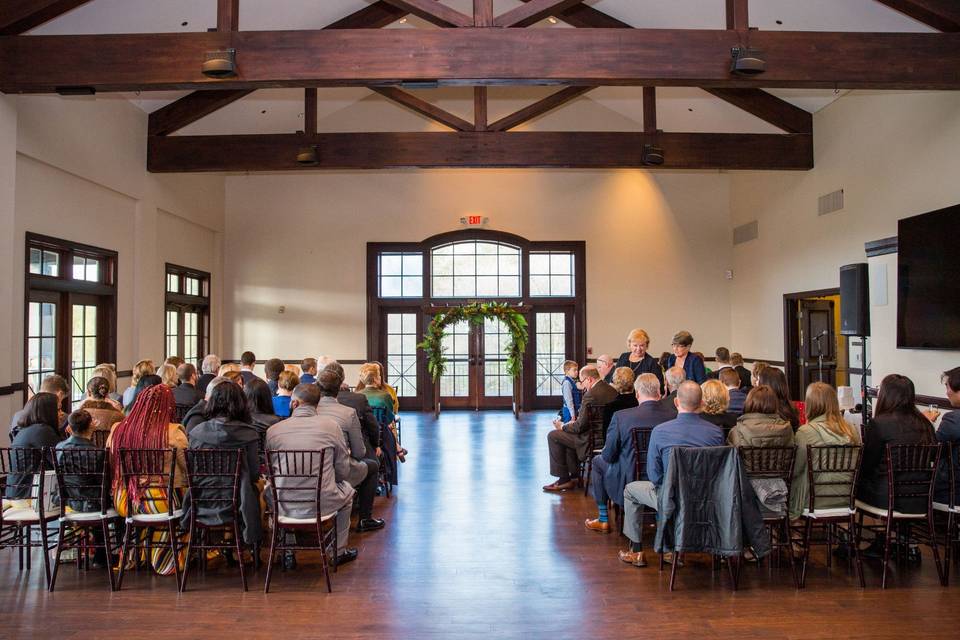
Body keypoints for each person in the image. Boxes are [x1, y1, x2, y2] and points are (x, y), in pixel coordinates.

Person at [619, 382, 724, 567]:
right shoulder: (715, 433)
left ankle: (636, 551)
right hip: (707, 499)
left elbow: (654, 475)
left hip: (671, 497)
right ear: (702, 404)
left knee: (630, 490)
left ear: (676, 402)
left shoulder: (661, 431)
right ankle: (671, 549)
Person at [265, 383, 358, 566]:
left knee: (273, 492)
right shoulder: (331, 427)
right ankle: (337, 551)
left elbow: (271, 470)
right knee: (349, 493)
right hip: (322, 502)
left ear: (294, 404)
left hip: (283, 501)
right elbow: (343, 470)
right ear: (317, 405)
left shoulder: (273, 431)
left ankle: (288, 551)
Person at [108, 384, 188, 576]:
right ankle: (164, 559)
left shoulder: (118, 429)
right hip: (162, 501)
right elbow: (188, 467)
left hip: (125, 500)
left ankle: (136, 555)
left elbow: (111, 461)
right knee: (186, 503)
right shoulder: (173, 431)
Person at [585, 373, 674, 533]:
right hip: (664, 477)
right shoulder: (673, 416)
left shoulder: (622, 417)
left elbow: (609, 455)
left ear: (637, 393)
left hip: (629, 477)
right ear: (659, 393)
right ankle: (660, 521)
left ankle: (603, 518)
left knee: (598, 461)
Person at [187, 380, 262, 548]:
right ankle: (248, 543)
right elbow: (255, 473)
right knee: (257, 488)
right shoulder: (249, 434)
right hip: (238, 500)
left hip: (202, 497)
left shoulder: (197, 433)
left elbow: (190, 471)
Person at [314, 369, 385, 533]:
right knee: (372, 465)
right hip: (338, 472)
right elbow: (359, 453)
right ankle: (364, 518)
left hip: (309, 473)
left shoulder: (310, 410)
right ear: (339, 388)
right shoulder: (348, 413)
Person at [857, 374, 936, 515]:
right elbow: (933, 457)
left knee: (852, 485)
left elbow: (867, 465)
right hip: (921, 499)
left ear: (886, 395)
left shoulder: (879, 424)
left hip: (886, 498)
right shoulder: (926, 424)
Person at [789, 382, 861, 518]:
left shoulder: (806, 432)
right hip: (846, 498)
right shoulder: (851, 430)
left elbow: (795, 469)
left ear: (809, 404)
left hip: (813, 500)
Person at [543, 365, 618, 492]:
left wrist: (562, 426)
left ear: (589, 379)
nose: (582, 385)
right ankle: (573, 476)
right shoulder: (612, 391)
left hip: (591, 439)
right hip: (609, 436)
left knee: (554, 435)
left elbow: (579, 427)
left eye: (582, 382)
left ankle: (564, 479)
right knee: (565, 436)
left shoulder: (590, 395)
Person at [57, 409, 117, 568]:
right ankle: (105, 553)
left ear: (69, 427)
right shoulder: (98, 452)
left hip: (68, 503)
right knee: (114, 504)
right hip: (94, 503)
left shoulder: (59, 448)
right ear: (91, 426)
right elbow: (105, 482)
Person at [323, 361, 392, 479]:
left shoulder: (316, 402)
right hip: (353, 448)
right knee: (373, 464)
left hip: (321, 457)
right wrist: (376, 445)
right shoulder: (359, 399)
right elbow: (373, 426)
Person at [4, 393, 63, 506]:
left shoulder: (26, 430)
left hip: (17, 492)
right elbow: (61, 461)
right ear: (47, 412)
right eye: (58, 409)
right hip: (29, 496)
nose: (61, 414)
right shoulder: (41, 431)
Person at [357, 363, 407, 461]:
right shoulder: (385, 396)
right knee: (389, 427)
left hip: (362, 434)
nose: (380, 377)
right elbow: (389, 419)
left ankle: (398, 449)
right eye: (379, 375)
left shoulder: (357, 395)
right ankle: (397, 450)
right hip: (382, 436)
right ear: (375, 379)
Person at [728, 385, 795, 447]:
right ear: (775, 404)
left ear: (749, 403)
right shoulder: (788, 429)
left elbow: (732, 457)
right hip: (780, 460)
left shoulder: (737, 431)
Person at [932, 367, 960, 506]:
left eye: (947, 387)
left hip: (951, 493)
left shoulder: (953, 419)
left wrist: (926, 422)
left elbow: (932, 452)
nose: (946, 392)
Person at [11, 374, 69, 440]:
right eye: (61, 400)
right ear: (59, 394)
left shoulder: (18, 415)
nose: (60, 404)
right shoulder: (45, 423)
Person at [615, 328, 665, 393]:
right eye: (635, 345)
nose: (638, 349)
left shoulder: (652, 363)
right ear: (630, 345)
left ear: (646, 346)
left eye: (641, 345)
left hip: (642, 398)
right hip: (621, 395)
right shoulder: (623, 357)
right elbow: (614, 379)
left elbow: (659, 387)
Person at [602, 367, 639, 431]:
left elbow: (606, 433)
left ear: (615, 383)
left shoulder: (610, 407)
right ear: (633, 380)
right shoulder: (639, 403)